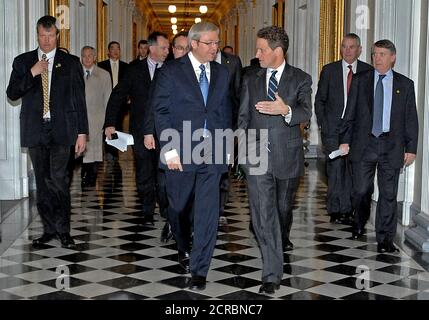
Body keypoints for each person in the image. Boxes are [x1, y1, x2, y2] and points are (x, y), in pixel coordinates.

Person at [152, 22, 232, 291]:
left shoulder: (223, 72)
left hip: (213, 151)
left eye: (217, 43)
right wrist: (170, 149)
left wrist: (228, 145)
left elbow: (224, 111)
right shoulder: (171, 72)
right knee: (178, 206)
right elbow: (160, 112)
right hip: (180, 152)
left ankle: (200, 269)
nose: (214, 48)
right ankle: (183, 245)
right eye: (209, 43)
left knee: (208, 212)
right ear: (194, 43)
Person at [238, 26, 312, 294]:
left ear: (277, 52)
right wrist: (241, 152)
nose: (257, 54)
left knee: (281, 212)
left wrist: (286, 110)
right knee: (261, 214)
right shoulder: (251, 78)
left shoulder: (300, 78)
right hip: (256, 156)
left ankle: (277, 250)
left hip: (287, 156)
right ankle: (271, 273)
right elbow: (243, 117)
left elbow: (305, 112)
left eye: (262, 50)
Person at [6, 15, 88, 249]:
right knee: (42, 182)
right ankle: (48, 230)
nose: (46, 40)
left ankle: (64, 230)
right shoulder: (23, 62)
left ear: (57, 35)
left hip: (62, 130)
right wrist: (32, 73)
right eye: (42, 35)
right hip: (35, 130)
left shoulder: (70, 63)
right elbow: (12, 93)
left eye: (50, 36)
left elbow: (78, 99)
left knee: (59, 180)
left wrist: (82, 132)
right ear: (37, 35)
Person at [339, 40, 419, 253]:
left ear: (393, 57)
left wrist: (411, 148)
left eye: (382, 54)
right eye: (375, 54)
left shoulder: (405, 84)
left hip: (391, 145)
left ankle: (385, 239)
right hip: (364, 144)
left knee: (388, 194)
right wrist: (345, 139)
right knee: (361, 190)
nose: (377, 58)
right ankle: (360, 220)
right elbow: (350, 113)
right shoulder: (360, 80)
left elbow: (411, 118)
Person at [104, 32, 170, 225]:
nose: (168, 51)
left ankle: (166, 211)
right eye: (164, 48)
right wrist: (110, 123)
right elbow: (117, 96)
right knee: (144, 172)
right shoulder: (134, 70)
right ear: (152, 48)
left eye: (167, 48)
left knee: (164, 173)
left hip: (166, 131)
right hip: (140, 131)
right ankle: (147, 211)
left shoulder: (172, 69)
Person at [315, 33, 372, 224]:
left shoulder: (367, 71)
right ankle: (335, 209)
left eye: (352, 47)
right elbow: (320, 100)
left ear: (359, 49)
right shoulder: (329, 70)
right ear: (340, 48)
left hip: (356, 130)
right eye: (344, 46)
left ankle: (348, 208)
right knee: (335, 167)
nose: (347, 51)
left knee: (352, 168)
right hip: (333, 128)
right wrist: (324, 123)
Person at [159, 31, 190, 243]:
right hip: (169, 140)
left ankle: (186, 234)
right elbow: (156, 108)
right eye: (180, 48)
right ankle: (173, 222)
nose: (184, 53)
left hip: (198, 144)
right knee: (169, 191)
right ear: (173, 50)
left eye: (188, 48)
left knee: (192, 194)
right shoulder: (167, 72)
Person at [216, 43, 243, 225]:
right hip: (198, 128)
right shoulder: (196, 60)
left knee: (223, 171)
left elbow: (239, 94)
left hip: (226, 126)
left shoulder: (232, 62)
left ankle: (219, 211)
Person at [80, 46, 112, 187]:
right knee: (81, 149)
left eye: (90, 55)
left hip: (97, 118)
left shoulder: (104, 75)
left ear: (95, 57)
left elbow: (108, 99)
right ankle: (84, 173)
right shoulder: (75, 74)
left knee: (95, 149)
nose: (87, 58)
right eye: (84, 56)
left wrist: (108, 120)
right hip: (80, 119)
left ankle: (91, 176)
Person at [98, 41, 129, 159]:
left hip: (120, 104)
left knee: (118, 126)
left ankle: (114, 151)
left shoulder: (126, 67)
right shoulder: (101, 66)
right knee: (106, 126)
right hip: (104, 102)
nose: (115, 51)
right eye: (113, 48)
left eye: (118, 49)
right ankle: (109, 150)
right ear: (108, 51)